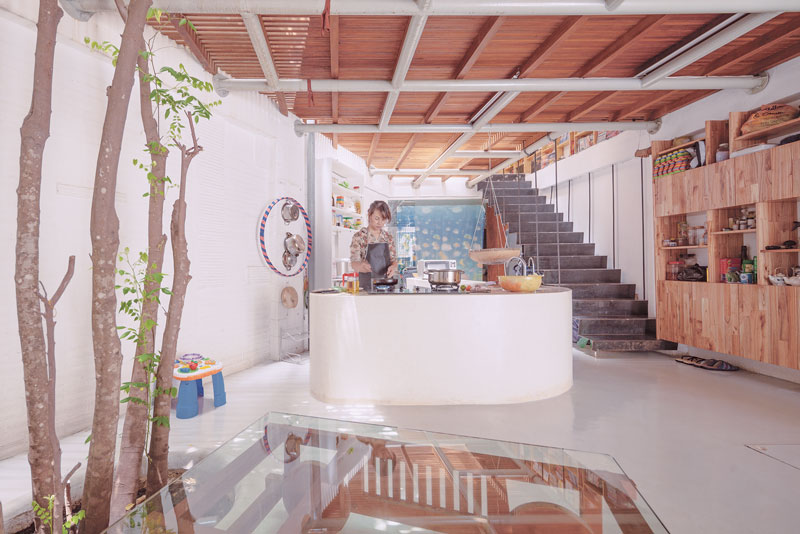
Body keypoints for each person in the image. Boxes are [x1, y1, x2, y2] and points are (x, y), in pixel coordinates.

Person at [349, 201, 398, 288]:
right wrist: (361, 266)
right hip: (366, 286)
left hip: (387, 285)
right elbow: (354, 264)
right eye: (377, 218)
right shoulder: (360, 237)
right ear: (369, 215)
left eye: (383, 219)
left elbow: (393, 260)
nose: (380, 223)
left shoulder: (388, 237)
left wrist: (393, 267)